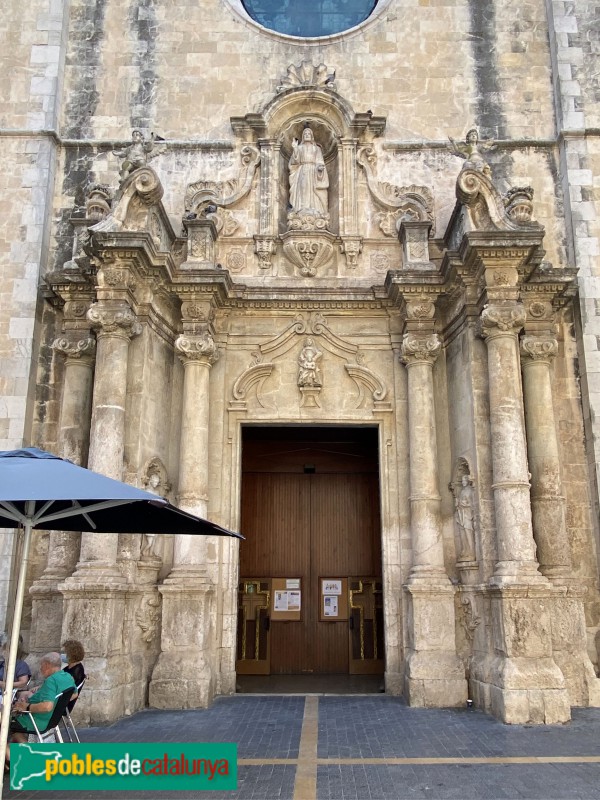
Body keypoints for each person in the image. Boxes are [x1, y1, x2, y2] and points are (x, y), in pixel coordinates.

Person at [7, 652, 75, 763]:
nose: (40, 668)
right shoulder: (67, 676)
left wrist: (27, 706)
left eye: (41, 665)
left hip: (37, 719)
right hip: (52, 719)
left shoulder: (51, 681)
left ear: (47, 665)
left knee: (9, 726)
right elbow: (74, 694)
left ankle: (31, 755)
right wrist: (57, 699)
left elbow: (47, 707)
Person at [288, 126, 329, 215]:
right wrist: (295, 148)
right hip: (302, 170)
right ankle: (302, 208)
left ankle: (314, 208)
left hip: (313, 171)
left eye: (308, 134)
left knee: (313, 190)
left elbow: (320, 161)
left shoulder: (316, 148)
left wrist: (319, 168)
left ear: (311, 136)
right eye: (305, 134)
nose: (307, 135)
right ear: (303, 136)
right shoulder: (299, 148)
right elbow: (295, 161)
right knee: (303, 187)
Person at [0, 633, 31, 702]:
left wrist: (4, 684)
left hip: (9, 694)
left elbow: (23, 682)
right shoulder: (2, 663)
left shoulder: (21, 665)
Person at [455, 474, 476, 561]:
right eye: (462, 481)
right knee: (463, 533)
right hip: (462, 514)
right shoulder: (462, 491)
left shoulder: (470, 491)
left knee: (468, 532)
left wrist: (465, 504)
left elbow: (473, 504)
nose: (463, 482)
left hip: (467, 515)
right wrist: (458, 503)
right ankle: (465, 550)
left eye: (464, 481)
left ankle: (471, 551)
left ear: (468, 481)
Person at [62, 639, 85, 712]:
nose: (62, 655)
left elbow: (63, 686)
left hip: (63, 703)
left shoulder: (77, 670)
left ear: (72, 654)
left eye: (64, 652)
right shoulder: (69, 667)